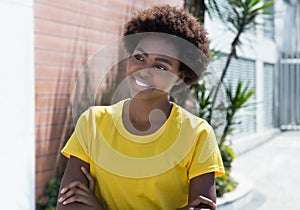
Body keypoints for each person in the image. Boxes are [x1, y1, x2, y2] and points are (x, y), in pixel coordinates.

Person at [56, 4, 224, 210]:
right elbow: (67, 205)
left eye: (161, 66)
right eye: (139, 58)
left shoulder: (197, 134)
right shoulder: (93, 123)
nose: (144, 71)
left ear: (180, 77)